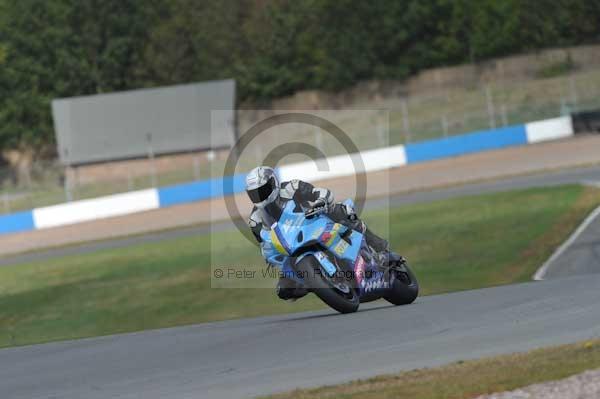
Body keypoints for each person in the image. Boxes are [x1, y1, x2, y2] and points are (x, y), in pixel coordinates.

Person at [245, 165, 391, 301]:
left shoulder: (291, 187)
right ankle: (317, 282)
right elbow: (264, 242)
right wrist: (270, 254)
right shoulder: (255, 219)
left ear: (273, 183)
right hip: (291, 246)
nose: (260, 197)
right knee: (283, 290)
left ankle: (376, 244)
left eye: (263, 191)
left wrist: (321, 200)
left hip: (315, 222)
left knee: (343, 211)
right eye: (254, 194)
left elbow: (316, 192)